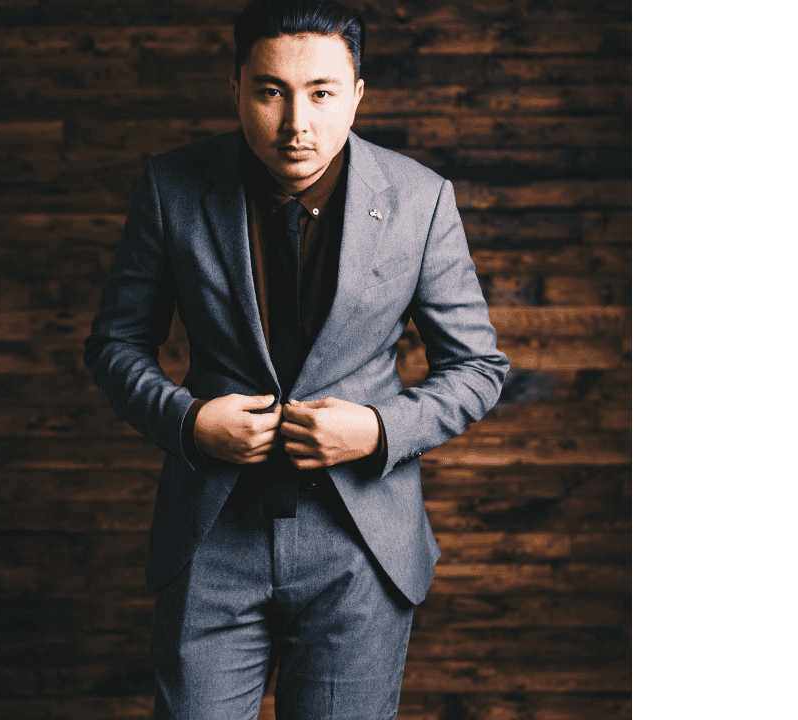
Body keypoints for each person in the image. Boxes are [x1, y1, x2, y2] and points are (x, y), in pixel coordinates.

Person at [83, 0, 508, 716]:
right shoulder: (172, 186)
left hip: (360, 544)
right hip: (212, 537)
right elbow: (115, 343)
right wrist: (189, 424)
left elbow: (478, 368)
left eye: (321, 93)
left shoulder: (420, 200)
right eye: (271, 91)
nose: (296, 123)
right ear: (236, 88)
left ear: (357, 95)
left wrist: (378, 431)